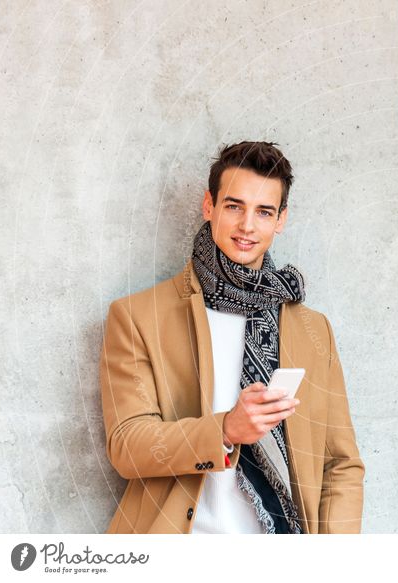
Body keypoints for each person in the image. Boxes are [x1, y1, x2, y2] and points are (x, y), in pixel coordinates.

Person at [99, 141, 365, 534]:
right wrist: (224, 430)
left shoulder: (312, 329)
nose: (247, 226)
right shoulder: (138, 317)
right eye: (234, 206)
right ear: (209, 206)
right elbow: (128, 446)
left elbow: (339, 464)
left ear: (281, 220)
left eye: (264, 212)